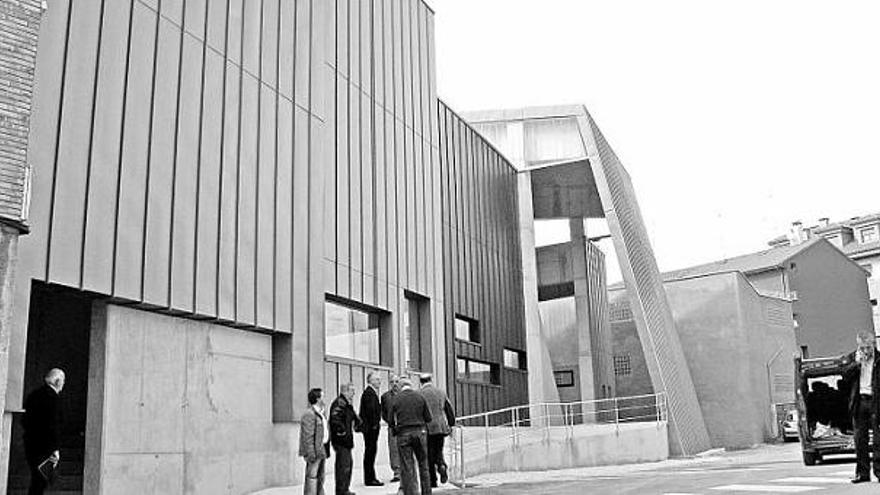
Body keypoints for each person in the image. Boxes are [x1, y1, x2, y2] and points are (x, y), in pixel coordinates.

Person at [843, 331, 880, 483]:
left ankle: (879, 471)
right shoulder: (853, 358)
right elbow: (844, 376)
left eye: (868, 347)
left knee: (878, 439)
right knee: (860, 440)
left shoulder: (879, 359)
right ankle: (863, 473)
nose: (865, 351)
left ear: (874, 345)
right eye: (862, 348)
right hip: (859, 403)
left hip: (875, 402)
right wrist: (856, 364)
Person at [22, 368, 65, 495]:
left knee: (37, 479)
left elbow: (25, 420)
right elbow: (54, 425)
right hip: (45, 447)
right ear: (57, 381)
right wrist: (55, 449)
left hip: (30, 443)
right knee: (41, 480)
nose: (63, 384)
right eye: (62, 381)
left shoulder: (34, 395)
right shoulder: (53, 399)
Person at [389, 377, 432, 495]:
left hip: (403, 434)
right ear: (410, 385)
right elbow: (428, 418)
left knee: (407, 466)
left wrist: (395, 430)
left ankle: (411, 492)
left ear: (400, 387)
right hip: (420, 432)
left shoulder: (396, 399)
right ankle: (427, 492)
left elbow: (390, 420)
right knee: (423, 464)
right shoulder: (420, 397)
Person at [418, 374, 455, 487]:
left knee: (428, 453)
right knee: (438, 450)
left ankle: (432, 480)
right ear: (430, 380)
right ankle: (441, 465)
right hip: (440, 427)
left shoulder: (419, 394)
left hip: (426, 428)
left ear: (421, 382)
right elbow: (449, 409)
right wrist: (451, 424)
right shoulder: (441, 392)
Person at [329, 383, 361, 495]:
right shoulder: (340, 403)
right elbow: (335, 420)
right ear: (345, 391)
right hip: (341, 441)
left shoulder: (347, 404)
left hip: (346, 440)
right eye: (352, 391)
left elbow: (354, 418)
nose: (354, 394)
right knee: (343, 466)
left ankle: (345, 489)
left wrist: (358, 423)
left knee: (347, 465)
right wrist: (342, 431)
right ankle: (342, 490)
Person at [299, 388, 331, 495]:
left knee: (320, 476)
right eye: (322, 396)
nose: (324, 398)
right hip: (315, 450)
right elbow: (308, 436)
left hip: (322, 448)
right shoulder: (309, 414)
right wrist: (311, 453)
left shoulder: (321, 413)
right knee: (312, 476)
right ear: (317, 399)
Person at [359, 372, 383, 487]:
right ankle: (370, 478)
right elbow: (370, 411)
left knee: (371, 452)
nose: (380, 381)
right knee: (370, 452)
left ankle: (371, 477)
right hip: (370, 429)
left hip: (371, 428)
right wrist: (374, 425)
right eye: (377, 379)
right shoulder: (369, 393)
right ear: (371, 380)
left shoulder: (372, 393)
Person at [380, 374, 401, 483]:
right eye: (392, 382)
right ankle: (397, 472)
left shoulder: (404, 395)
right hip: (392, 427)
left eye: (397, 382)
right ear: (389, 383)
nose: (395, 384)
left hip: (404, 426)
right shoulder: (385, 397)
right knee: (393, 449)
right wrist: (390, 421)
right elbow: (383, 412)